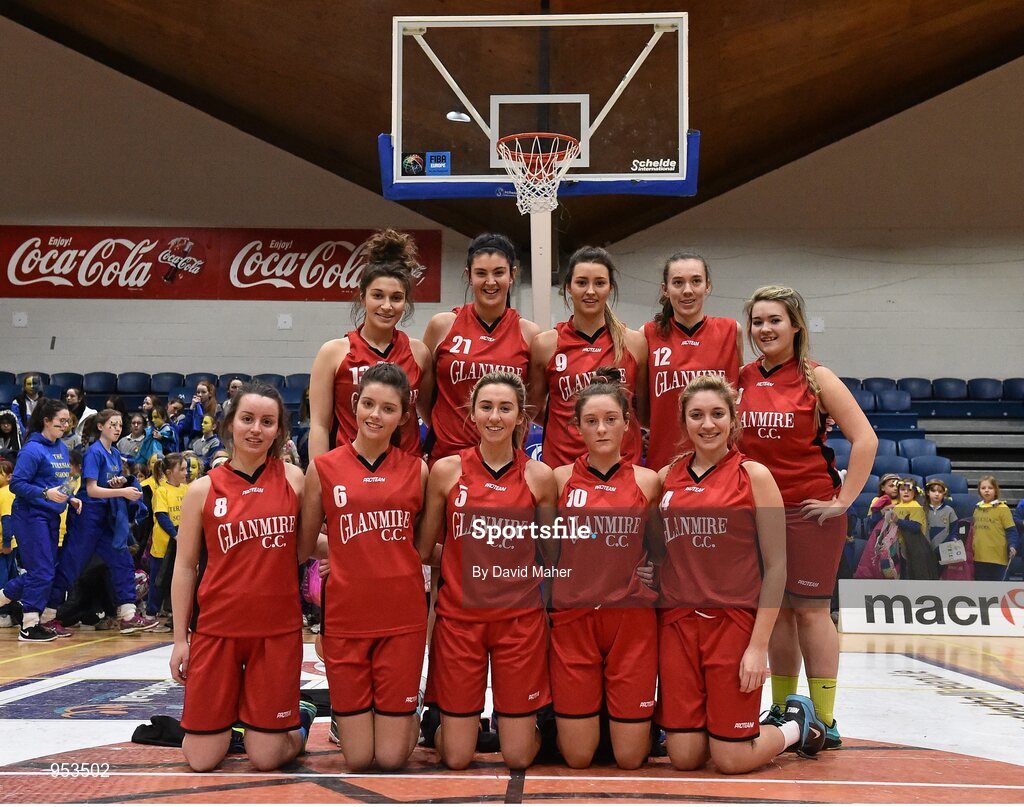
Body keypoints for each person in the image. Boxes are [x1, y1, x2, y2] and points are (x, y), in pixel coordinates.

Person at [655, 375, 826, 772]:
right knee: (684, 757)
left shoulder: (755, 476)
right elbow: (656, 549)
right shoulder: (667, 477)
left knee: (732, 758)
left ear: (734, 420)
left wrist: (756, 646)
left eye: (717, 414)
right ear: (684, 424)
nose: (707, 424)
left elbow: (777, 566)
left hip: (732, 624)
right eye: (696, 415)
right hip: (678, 625)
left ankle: (795, 725)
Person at [737, 286, 877, 750]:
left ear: (795, 325)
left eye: (774, 320)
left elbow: (865, 439)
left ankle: (827, 717)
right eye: (757, 321)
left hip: (809, 511)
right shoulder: (742, 377)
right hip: (758, 513)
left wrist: (844, 500)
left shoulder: (818, 378)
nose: (765, 329)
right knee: (775, 615)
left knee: (812, 612)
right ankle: (782, 707)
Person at [170, 381, 316, 772]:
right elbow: (185, 567)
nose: (256, 429)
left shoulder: (295, 480)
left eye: (267, 422)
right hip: (217, 630)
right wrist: (180, 640)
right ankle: (245, 718)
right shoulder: (202, 490)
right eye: (247, 419)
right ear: (230, 423)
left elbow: (307, 547)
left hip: (276, 630)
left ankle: (299, 719)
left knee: (265, 758)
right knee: (201, 759)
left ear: (279, 432)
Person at [418, 371, 557, 770]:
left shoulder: (540, 477)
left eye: (505, 408)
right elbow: (426, 549)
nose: (495, 416)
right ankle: (440, 722)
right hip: (460, 621)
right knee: (457, 757)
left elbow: (551, 553)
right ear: (472, 415)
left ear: (520, 417)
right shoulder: (446, 470)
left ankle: (524, 721)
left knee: (517, 757)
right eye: (486, 407)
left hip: (520, 622)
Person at [301, 363, 429, 771]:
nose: (376, 415)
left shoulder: (418, 469)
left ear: (403, 416)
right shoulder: (323, 468)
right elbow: (304, 544)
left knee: (391, 759)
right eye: (369, 404)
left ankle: (410, 706)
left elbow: (424, 545)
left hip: (402, 617)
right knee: (358, 759)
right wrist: (341, 548)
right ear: (355, 405)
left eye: (388, 408)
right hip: (346, 618)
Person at [549, 369, 660, 769]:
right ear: (576, 426)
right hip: (573, 620)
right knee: (578, 757)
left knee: (630, 759)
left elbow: (665, 550)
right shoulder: (556, 479)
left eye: (611, 419)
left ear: (628, 424)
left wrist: (655, 574)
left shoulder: (649, 481)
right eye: (591, 421)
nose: (601, 429)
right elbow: (542, 551)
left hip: (631, 622)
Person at [309, 229, 433, 461]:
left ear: (405, 302)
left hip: (406, 473)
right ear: (362, 296)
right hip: (349, 473)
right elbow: (319, 426)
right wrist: (318, 477)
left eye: (396, 298)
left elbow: (430, 417)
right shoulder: (334, 353)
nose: (387, 306)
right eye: (378, 295)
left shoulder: (419, 353)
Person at [423, 234, 539, 465]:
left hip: (504, 461)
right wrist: (445, 428)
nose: (490, 282)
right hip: (447, 457)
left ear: (512, 275)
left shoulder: (530, 333)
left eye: (498, 272)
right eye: (481, 273)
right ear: (468, 275)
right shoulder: (442, 325)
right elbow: (424, 396)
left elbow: (531, 404)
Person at [528, 247, 646, 468]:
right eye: (582, 282)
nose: (590, 291)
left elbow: (641, 409)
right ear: (568, 288)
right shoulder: (545, 345)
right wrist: (568, 424)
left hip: (623, 468)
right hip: (563, 468)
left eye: (599, 283)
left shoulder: (634, 343)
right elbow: (533, 410)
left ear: (610, 288)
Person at [43, 410, 156, 635]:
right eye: (112, 424)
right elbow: (93, 490)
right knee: (70, 567)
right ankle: (47, 616)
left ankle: (127, 615)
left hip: (106, 517)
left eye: (119, 424)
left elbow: (105, 484)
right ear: (100, 426)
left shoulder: (114, 453)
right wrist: (123, 491)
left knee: (123, 560)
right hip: (87, 518)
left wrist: (118, 483)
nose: (117, 428)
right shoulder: (94, 452)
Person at [642, 252, 741, 470]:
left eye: (696, 281)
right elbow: (641, 403)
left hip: (720, 464)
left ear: (707, 286)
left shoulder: (731, 331)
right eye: (678, 282)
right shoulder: (647, 334)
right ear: (665, 289)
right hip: (664, 461)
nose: (687, 290)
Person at [0, 399, 83, 642]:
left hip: (51, 515)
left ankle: (11, 605)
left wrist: (69, 499)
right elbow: (17, 484)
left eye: (68, 421)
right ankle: (29, 625)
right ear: (46, 421)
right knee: (42, 571)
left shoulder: (61, 448)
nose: (65, 426)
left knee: (44, 572)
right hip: (30, 515)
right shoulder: (32, 449)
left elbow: (60, 482)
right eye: (61, 421)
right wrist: (45, 494)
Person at [148, 453, 187, 621]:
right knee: (159, 580)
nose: (186, 472)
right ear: (170, 472)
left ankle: (172, 610)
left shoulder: (187, 489)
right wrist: (175, 534)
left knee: (176, 580)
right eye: (183, 469)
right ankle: (151, 613)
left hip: (182, 544)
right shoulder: (161, 491)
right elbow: (162, 516)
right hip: (163, 545)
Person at [971, 475, 1020, 581]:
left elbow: (1011, 530)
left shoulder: (1003, 509)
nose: (987, 491)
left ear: (996, 490)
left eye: (990, 488)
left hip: (998, 559)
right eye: (983, 488)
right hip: (978, 558)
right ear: (979, 491)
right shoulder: (977, 508)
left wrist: (1012, 545)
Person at [891, 480, 933, 579]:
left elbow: (916, 527)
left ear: (915, 493)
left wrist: (898, 521)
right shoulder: (896, 507)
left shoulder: (915, 506)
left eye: (909, 490)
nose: (906, 492)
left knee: (910, 573)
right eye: (902, 489)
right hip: (899, 545)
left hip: (913, 547)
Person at [0, 459, 17, 628]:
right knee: (11, 577)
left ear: (9, 477)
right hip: (9, 544)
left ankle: (3, 614)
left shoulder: (5, 493)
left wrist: (6, 542)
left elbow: (7, 520)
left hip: (4, 546)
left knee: (3, 580)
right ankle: (13, 612)